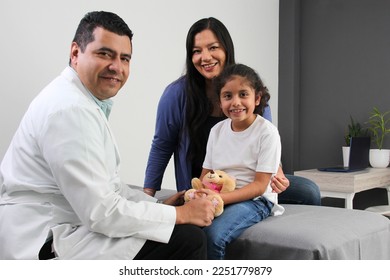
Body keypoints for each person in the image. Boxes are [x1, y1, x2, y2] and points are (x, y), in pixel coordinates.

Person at [0, 11, 216, 260]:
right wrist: (181, 215)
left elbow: (110, 188)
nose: (117, 66)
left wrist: (159, 206)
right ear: (75, 53)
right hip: (42, 240)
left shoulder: (81, 101)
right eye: (104, 54)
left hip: (68, 224)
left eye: (125, 58)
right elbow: (102, 212)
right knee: (187, 240)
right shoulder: (70, 109)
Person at [143, 17, 321, 206]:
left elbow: (266, 141)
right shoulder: (176, 94)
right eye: (197, 51)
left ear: (226, 49)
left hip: (250, 182)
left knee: (308, 191)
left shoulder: (251, 91)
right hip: (208, 185)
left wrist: (278, 172)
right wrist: (147, 197)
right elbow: (162, 145)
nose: (205, 57)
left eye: (213, 48)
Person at [202, 63, 283, 259]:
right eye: (228, 96)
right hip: (221, 195)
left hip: (255, 200)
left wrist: (219, 199)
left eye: (243, 94)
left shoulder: (267, 132)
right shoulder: (217, 131)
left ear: (257, 98)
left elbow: (259, 186)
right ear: (220, 102)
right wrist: (201, 194)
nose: (235, 102)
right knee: (187, 231)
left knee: (213, 236)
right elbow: (206, 174)